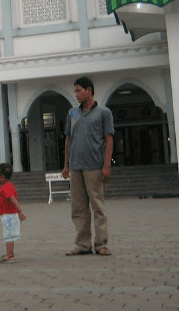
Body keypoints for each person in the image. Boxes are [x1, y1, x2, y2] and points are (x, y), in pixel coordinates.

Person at [62, 76, 115, 257]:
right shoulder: (73, 114)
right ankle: (83, 244)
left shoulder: (103, 113)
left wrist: (106, 166)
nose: (76, 94)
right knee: (78, 208)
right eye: (75, 91)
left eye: (78, 90)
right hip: (76, 168)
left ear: (89, 90)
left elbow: (109, 139)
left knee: (98, 206)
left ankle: (101, 244)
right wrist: (66, 165)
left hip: (94, 167)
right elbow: (68, 139)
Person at [0, 163, 26, 264]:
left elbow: (13, 199)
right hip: (7, 215)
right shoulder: (6, 186)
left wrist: (20, 212)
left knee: (9, 236)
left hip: (10, 216)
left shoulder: (7, 187)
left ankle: (10, 256)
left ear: (2, 177)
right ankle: (9, 254)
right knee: (8, 235)